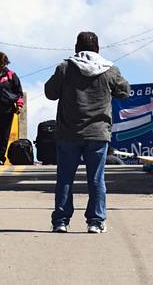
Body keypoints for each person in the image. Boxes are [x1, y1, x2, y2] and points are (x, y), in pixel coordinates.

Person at [44, 30, 130, 234]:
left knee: (65, 178)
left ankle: (61, 221)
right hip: (98, 134)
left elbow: (50, 93)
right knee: (96, 179)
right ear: (98, 49)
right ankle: (96, 221)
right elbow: (125, 92)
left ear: (76, 48)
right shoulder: (110, 70)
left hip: (68, 134)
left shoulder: (65, 68)